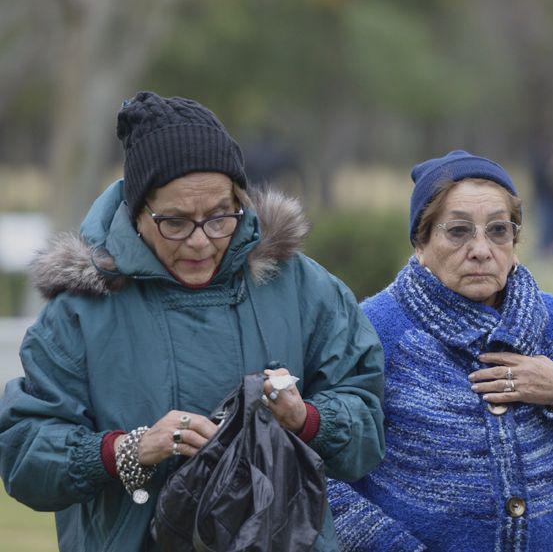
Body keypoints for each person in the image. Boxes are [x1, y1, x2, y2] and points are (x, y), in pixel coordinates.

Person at [0, 91, 385, 551]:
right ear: (136, 212)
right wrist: (130, 450)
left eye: (220, 217)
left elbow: (368, 422)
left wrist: (306, 419)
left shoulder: (303, 288)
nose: (201, 242)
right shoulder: (81, 312)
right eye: (176, 223)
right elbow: (24, 453)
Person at [327, 150, 553, 551]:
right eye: (458, 231)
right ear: (421, 241)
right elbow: (321, 480)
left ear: (515, 241)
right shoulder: (374, 330)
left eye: (498, 231)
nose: (481, 249)